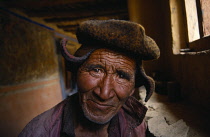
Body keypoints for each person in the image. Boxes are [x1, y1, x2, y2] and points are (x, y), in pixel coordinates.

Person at [19, 19, 160, 137]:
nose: (104, 93)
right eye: (96, 70)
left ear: (132, 89)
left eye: (121, 76)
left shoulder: (136, 124)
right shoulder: (38, 132)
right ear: (76, 74)